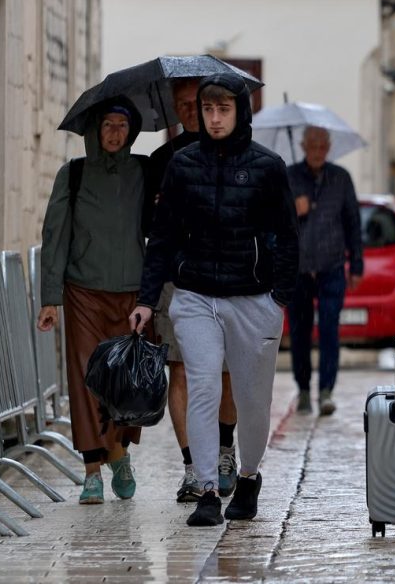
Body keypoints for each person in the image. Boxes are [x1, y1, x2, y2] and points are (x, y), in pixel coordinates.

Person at [131, 69, 299, 528]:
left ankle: (247, 476)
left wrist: (278, 297)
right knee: (203, 386)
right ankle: (207, 488)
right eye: (208, 109)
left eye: (223, 109)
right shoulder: (182, 166)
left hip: (253, 299)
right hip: (196, 296)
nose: (215, 117)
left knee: (252, 399)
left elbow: (288, 236)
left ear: (240, 111)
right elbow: (162, 237)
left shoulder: (268, 167)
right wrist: (148, 299)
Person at [37, 98, 148, 505]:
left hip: (133, 295)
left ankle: (118, 454)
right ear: (94, 131)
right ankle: (91, 472)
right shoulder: (74, 175)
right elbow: (56, 236)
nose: (115, 133)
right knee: (88, 382)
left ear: (131, 131)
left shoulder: (144, 172)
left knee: (125, 384)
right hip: (83, 292)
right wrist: (50, 298)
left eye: (122, 124)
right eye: (108, 125)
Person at [147, 78, 240, 502]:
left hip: (225, 277)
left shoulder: (234, 156)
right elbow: (147, 230)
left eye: (198, 103)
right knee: (179, 371)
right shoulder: (161, 161)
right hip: (175, 278)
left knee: (224, 373)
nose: (192, 111)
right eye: (183, 105)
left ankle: (224, 451)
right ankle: (191, 465)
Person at [286, 126, 364, 416]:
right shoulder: (289, 176)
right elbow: (274, 222)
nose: (317, 150)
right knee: (300, 332)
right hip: (299, 269)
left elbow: (353, 222)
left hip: (332, 267)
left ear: (328, 147)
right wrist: (294, 210)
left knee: (330, 330)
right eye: (312, 145)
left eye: (322, 145)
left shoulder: (341, 178)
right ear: (303, 146)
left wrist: (356, 264)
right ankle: (304, 390)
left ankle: (327, 390)